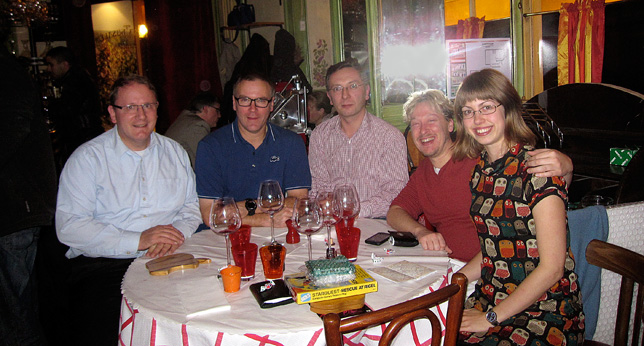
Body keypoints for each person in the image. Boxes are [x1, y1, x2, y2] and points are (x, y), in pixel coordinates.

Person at [55, 75, 201, 346]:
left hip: (169, 256)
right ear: (113, 113)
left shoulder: (175, 153)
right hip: (105, 266)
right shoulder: (88, 159)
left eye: (148, 105)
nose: (141, 115)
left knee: (199, 317)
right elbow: (70, 227)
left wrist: (174, 235)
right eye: (130, 107)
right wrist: (139, 240)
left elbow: (191, 207)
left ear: (158, 109)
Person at [452, 69, 584, 344]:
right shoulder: (481, 170)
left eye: (487, 107)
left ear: (508, 108)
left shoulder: (538, 169)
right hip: (492, 297)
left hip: (544, 312)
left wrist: (490, 318)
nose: (477, 119)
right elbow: (495, 246)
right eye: (468, 111)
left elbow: (552, 269)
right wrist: (457, 278)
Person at [387, 89, 573, 261]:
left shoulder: (478, 159)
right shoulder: (422, 174)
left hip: (497, 267)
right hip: (452, 266)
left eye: (431, 120)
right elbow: (395, 212)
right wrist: (420, 232)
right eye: (415, 124)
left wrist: (566, 167)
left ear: (451, 124)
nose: (423, 130)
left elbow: (544, 186)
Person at [0, 33, 58, 346]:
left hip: (14, 209)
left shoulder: (6, 73)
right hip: (15, 208)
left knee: (15, 312)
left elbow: (12, 129)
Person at [195, 73, 311, 227]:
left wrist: (243, 207)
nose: (252, 109)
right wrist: (265, 219)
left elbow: (298, 202)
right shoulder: (210, 147)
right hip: (228, 238)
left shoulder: (291, 143)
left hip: (280, 235)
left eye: (261, 101)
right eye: (245, 100)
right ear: (234, 103)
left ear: (271, 105)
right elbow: (210, 215)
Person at [309, 60, 408, 218]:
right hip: (333, 223)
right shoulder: (319, 136)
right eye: (337, 88)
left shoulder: (390, 137)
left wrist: (354, 210)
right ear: (329, 97)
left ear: (367, 92)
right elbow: (318, 188)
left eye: (353, 86)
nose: (345, 95)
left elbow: (397, 193)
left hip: (378, 224)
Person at [45, 46, 104, 171]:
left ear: (65, 64)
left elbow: (68, 110)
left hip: (82, 136)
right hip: (84, 135)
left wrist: (50, 104)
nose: (48, 69)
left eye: (51, 65)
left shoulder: (75, 81)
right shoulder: (78, 77)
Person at [165, 92, 221, 167]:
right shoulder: (197, 126)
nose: (219, 115)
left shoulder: (185, 120)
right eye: (217, 110)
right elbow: (209, 161)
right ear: (206, 109)